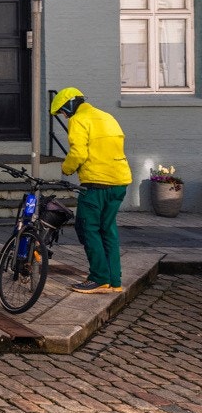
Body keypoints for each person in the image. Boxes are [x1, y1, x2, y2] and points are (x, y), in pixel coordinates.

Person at [51, 86, 133, 294]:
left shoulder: (78, 119)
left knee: (87, 228)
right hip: (119, 181)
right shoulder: (107, 117)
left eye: (62, 111)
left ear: (69, 106)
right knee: (108, 229)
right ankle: (114, 280)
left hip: (96, 184)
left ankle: (98, 278)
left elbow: (78, 153)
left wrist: (66, 168)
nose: (63, 116)